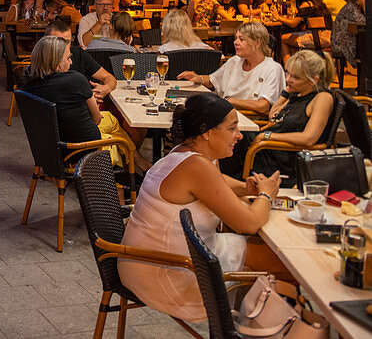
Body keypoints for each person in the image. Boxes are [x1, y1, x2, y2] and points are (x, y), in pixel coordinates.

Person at [119, 93, 284, 323]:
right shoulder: (196, 165)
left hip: (149, 260)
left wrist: (247, 189)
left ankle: (259, 319)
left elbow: (217, 181)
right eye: (232, 128)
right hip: (165, 274)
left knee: (268, 257)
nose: (239, 135)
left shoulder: (185, 153)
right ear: (207, 132)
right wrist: (267, 194)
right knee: (284, 266)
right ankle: (276, 324)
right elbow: (249, 223)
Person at [22, 36, 134, 165]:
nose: (71, 62)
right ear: (56, 61)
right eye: (68, 58)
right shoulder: (76, 80)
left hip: (49, 149)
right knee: (114, 129)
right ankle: (117, 171)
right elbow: (96, 120)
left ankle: (134, 160)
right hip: (81, 149)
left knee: (111, 119)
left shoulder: (28, 85)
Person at [234, 51, 337, 186]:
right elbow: (273, 115)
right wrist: (287, 91)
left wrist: (268, 136)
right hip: (268, 148)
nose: (288, 79)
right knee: (225, 136)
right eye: (287, 73)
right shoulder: (298, 93)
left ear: (314, 80)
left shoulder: (322, 98)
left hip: (283, 157)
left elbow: (308, 138)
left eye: (295, 77)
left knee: (229, 144)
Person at [177, 22, 285, 115]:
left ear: (258, 42)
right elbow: (213, 80)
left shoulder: (272, 69)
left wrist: (229, 101)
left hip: (250, 121)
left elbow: (263, 106)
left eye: (241, 39)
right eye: (236, 38)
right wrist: (198, 78)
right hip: (226, 114)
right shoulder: (235, 61)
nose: (235, 42)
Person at [44, 19, 117, 101]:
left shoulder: (78, 53)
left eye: (67, 42)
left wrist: (105, 88)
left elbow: (109, 78)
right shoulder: (41, 61)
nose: (64, 46)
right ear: (46, 41)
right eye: (59, 42)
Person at [332, 0, 366, 68]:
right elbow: (364, 22)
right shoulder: (351, 8)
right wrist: (365, 6)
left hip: (350, 43)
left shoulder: (354, 7)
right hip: (342, 45)